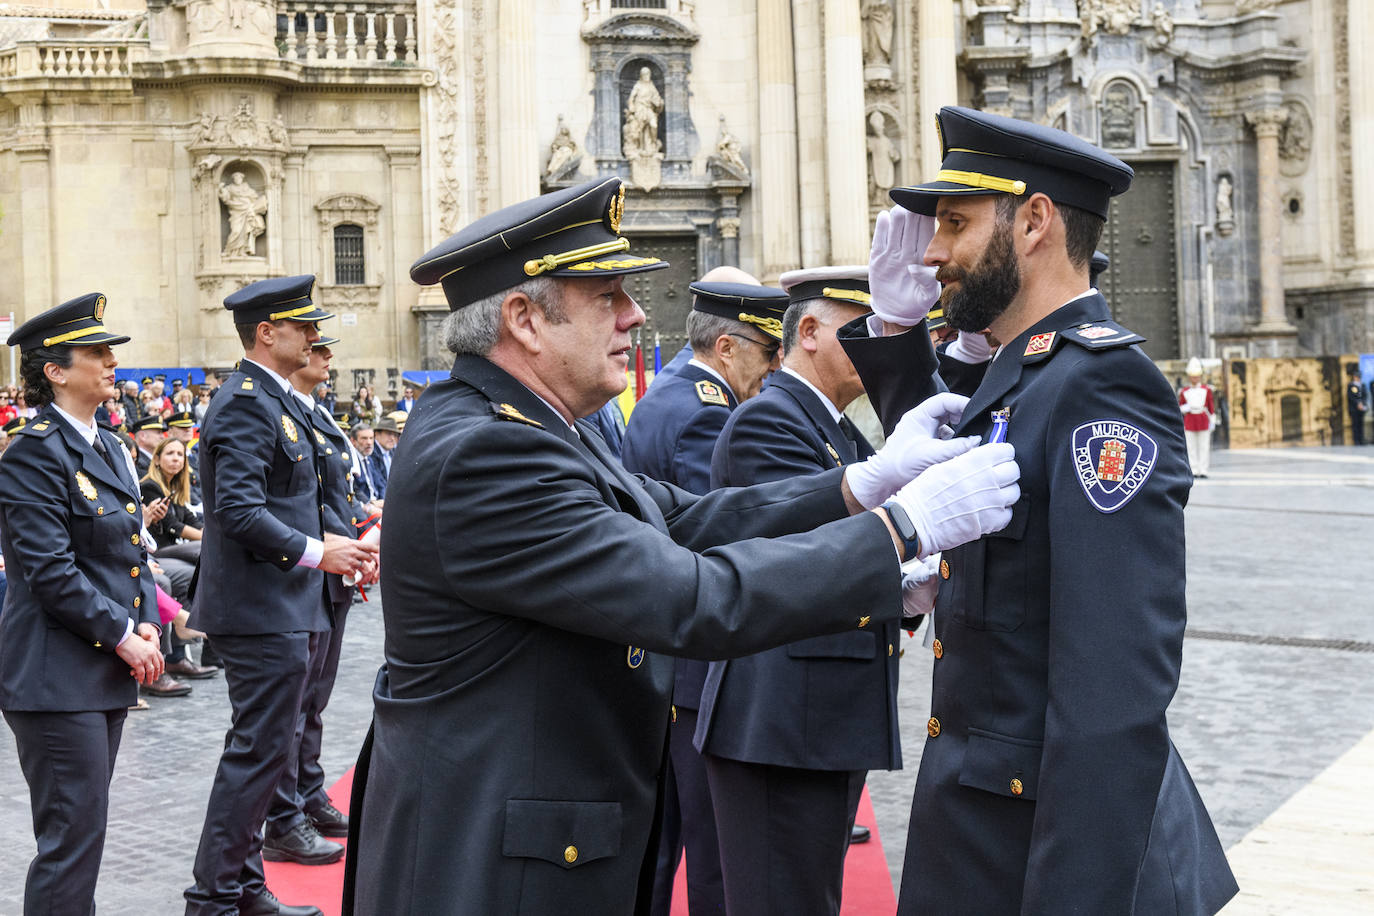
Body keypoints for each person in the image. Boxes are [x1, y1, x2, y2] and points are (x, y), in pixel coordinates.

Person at [345, 176, 1021, 915]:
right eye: (608, 295)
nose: (637, 316)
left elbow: (686, 518)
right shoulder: (488, 451)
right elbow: (694, 597)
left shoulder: (533, 423)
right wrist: (902, 527)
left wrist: (862, 485)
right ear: (524, 319)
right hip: (492, 868)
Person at [883, 105, 1236, 914]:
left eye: (954, 224)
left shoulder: (1097, 384)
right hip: (984, 831)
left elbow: (1111, 693)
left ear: (1034, 220)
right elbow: (944, 436)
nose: (933, 253)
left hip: (1043, 853)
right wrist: (898, 330)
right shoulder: (1024, 374)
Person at [698, 267, 961, 915]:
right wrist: (896, 573)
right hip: (779, 722)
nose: (873, 343)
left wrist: (900, 594)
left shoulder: (835, 427)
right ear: (809, 331)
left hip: (815, 719)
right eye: (859, 329)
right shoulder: (770, 420)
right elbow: (800, 558)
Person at [184, 275, 378, 916]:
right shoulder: (246, 401)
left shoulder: (276, 399)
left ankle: (240, 887)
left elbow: (288, 498)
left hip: (285, 600)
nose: (317, 336)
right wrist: (321, 552)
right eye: (304, 327)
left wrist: (336, 547)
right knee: (257, 751)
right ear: (268, 333)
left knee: (268, 750)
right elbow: (237, 510)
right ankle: (214, 897)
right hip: (261, 606)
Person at [620, 269, 791, 916]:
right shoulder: (703, 415)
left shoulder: (667, 394)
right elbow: (714, 533)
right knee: (711, 846)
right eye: (766, 351)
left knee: (661, 838)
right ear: (727, 347)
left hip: (661, 652)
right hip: (692, 664)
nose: (772, 367)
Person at [0, 292, 164, 915]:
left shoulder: (111, 446)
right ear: (55, 371)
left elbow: (131, 550)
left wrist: (146, 617)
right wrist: (125, 634)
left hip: (100, 668)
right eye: (94, 352)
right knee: (70, 839)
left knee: (84, 833)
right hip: (54, 675)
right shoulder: (35, 454)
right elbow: (50, 573)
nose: (110, 362)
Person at [262, 333, 357, 854]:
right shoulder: (280, 415)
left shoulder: (314, 414)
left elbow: (330, 499)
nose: (325, 355)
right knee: (293, 706)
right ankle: (284, 811)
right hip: (300, 571)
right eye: (317, 347)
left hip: (329, 570)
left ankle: (307, 790)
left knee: (315, 699)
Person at [139, 436, 218, 687]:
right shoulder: (151, 485)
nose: (176, 459)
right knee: (205, 553)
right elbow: (172, 527)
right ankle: (160, 663)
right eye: (170, 454)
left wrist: (208, 532)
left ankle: (176, 655)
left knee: (198, 567)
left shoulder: (175, 486)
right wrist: (210, 537)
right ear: (157, 459)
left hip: (169, 553)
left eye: (180, 455)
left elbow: (190, 521)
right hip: (157, 552)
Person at [1180, 358, 1218, 475]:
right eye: (1193, 376)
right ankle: (1194, 469)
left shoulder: (1206, 390)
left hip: (1202, 418)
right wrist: (1186, 408)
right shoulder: (1184, 391)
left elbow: (1210, 406)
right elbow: (1180, 406)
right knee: (1191, 446)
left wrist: (1212, 420)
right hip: (1190, 419)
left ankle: (1203, 469)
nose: (1195, 379)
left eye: (1197, 376)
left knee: (1203, 446)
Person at [365, 412, 399, 500]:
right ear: (376, 434)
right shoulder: (371, 453)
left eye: (395, 435)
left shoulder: (393, 452)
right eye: (388, 433)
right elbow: (379, 483)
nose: (392, 438)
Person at [1347, 366, 1368, 446]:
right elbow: (1351, 397)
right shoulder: (1351, 385)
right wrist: (1358, 403)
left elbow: (1365, 395)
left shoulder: (1362, 385)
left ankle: (1361, 440)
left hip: (1361, 408)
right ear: (1354, 377)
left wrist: (1362, 403)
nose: (1357, 378)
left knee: (1361, 424)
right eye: (1356, 376)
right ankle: (1356, 441)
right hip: (1354, 409)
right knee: (1355, 425)